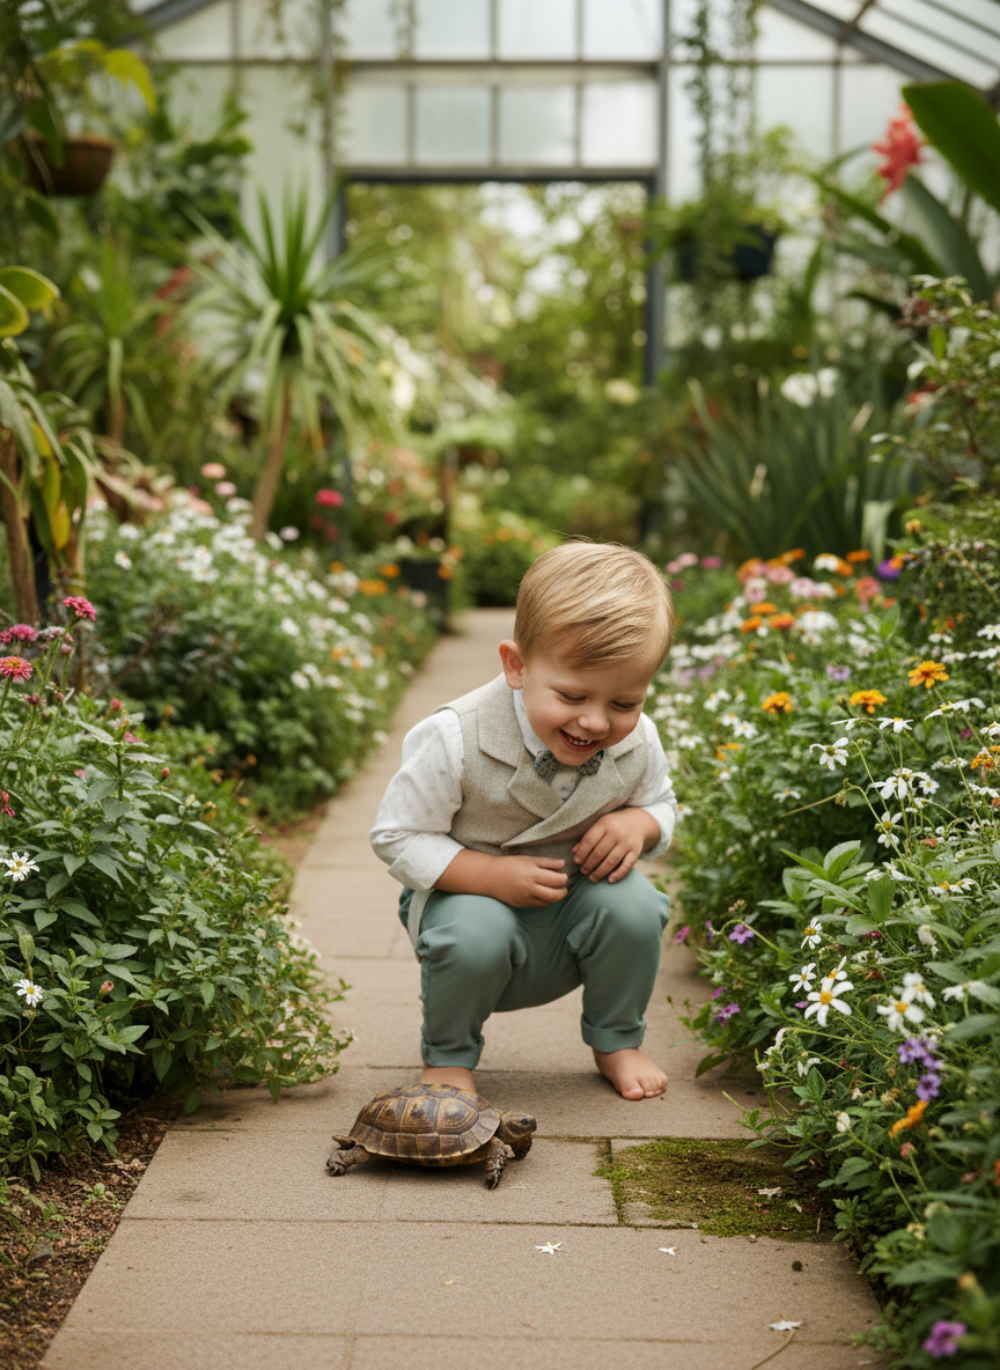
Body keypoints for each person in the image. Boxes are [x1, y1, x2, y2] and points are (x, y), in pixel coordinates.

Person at [370, 540, 679, 1101]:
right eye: (572, 694)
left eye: (624, 703)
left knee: (637, 907)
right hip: (469, 909)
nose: (594, 722)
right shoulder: (455, 736)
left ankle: (616, 1038)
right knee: (474, 935)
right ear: (516, 665)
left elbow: (662, 802)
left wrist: (641, 824)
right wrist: (488, 877)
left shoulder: (639, 741)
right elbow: (397, 835)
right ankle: (448, 1056)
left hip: (572, 911)